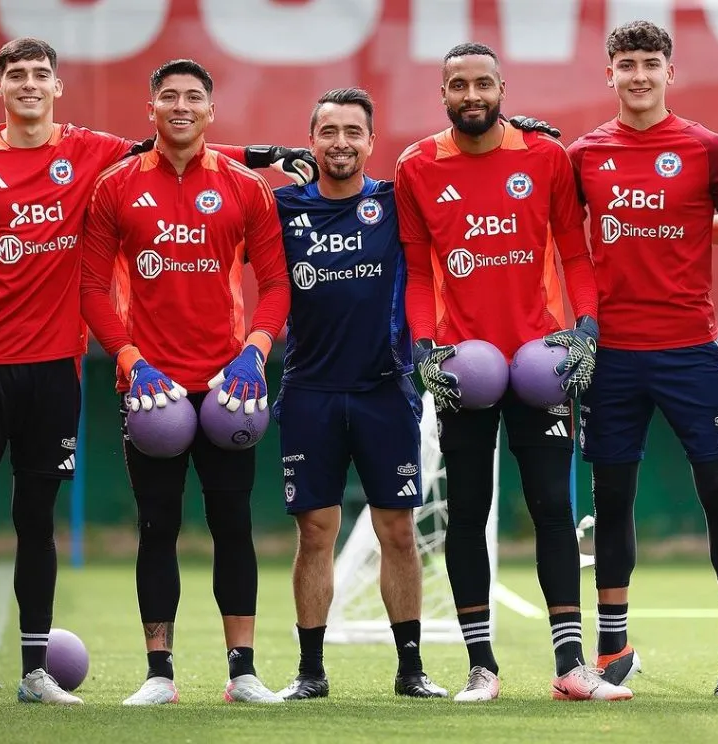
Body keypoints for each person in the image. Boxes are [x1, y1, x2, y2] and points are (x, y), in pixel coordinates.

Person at [0, 37, 316, 710]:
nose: (30, 84)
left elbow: (176, 142)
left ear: (57, 87)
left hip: (55, 367)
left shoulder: (89, 151)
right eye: (17, 75)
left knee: (37, 521)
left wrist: (259, 157)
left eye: (41, 74)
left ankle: (36, 673)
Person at [395, 42, 632, 703]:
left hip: (541, 365)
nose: (471, 95)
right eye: (458, 85)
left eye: (482, 83)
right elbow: (417, 273)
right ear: (443, 94)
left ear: (502, 88)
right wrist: (424, 347)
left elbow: (576, 256)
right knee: (467, 512)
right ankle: (482, 668)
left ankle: (571, 667)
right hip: (464, 367)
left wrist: (587, 330)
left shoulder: (545, 156)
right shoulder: (416, 165)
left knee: (553, 508)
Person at [79, 59, 291, 705]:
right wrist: (130, 359)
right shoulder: (115, 186)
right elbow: (91, 289)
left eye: (193, 96)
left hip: (229, 389)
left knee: (233, 526)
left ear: (210, 110)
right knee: (156, 527)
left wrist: (255, 354)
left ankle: (242, 672)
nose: (180, 105)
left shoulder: (245, 186)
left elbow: (276, 285)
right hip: (152, 391)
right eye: (168, 96)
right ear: (150, 109)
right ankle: (159, 675)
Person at [563, 20, 718, 696]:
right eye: (627, 64)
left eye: (651, 63)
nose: (639, 75)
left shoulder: (706, 148)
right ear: (609, 74)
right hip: (612, 355)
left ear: (670, 72)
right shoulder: (584, 154)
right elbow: (557, 239)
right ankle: (612, 646)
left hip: (691, 351)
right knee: (612, 498)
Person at [270, 87, 448, 701]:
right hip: (309, 390)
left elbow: (467, 171)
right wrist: (256, 153)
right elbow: (199, 168)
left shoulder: (396, 203)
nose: (341, 142)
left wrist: (519, 132)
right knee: (315, 531)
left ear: (372, 142)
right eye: (329, 131)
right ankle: (310, 673)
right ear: (310, 141)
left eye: (353, 132)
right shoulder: (282, 207)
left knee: (397, 530)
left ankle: (411, 670)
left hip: (384, 390)